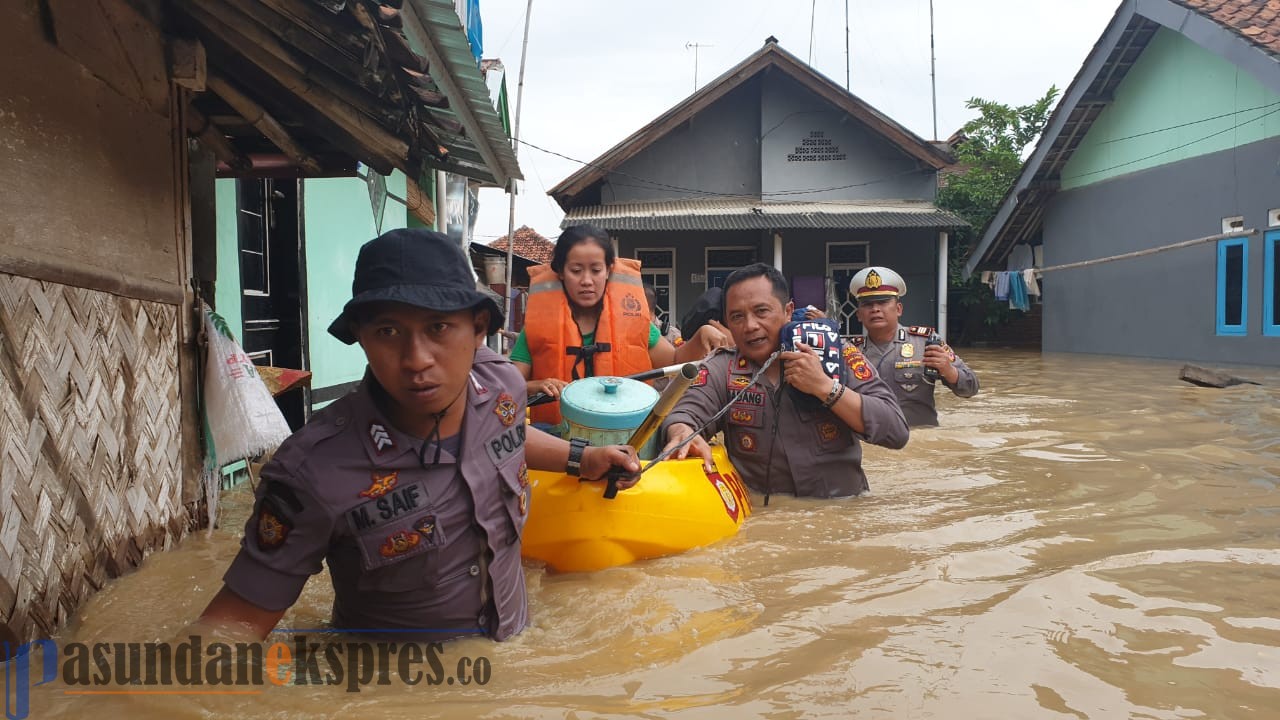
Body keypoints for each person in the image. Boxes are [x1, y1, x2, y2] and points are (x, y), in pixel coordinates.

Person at [197, 229, 641, 642]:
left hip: (513, 654)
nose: (416, 359)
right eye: (388, 331)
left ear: (479, 330)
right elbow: (224, 636)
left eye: (438, 328)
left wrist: (582, 458)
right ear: (360, 337)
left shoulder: (501, 389)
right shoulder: (314, 472)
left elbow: (504, 437)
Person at [660, 263, 909, 500]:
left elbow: (895, 432)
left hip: (844, 514)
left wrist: (826, 388)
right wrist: (682, 431)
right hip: (766, 523)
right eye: (737, 317)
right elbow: (685, 413)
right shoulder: (721, 368)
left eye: (761, 311)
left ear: (788, 311)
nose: (749, 326)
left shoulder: (835, 354)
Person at [510, 224, 729, 427]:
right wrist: (536, 386)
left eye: (596, 270)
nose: (586, 280)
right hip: (558, 441)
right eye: (576, 271)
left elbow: (674, 361)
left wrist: (701, 336)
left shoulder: (634, 323)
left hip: (623, 436)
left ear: (608, 270)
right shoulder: (535, 329)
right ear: (560, 272)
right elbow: (508, 387)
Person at [848, 266, 979, 427]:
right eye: (867, 304)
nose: (875, 309)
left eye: (882, 302)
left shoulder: (926, 343)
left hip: (918, 439)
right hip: (870, 440)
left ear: (898, 309)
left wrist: (948, 370)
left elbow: (970, 387)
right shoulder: (849, 352)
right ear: (859, 315)